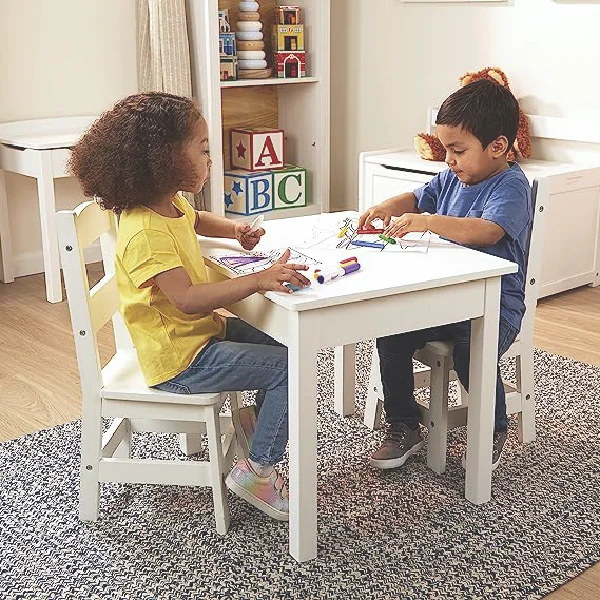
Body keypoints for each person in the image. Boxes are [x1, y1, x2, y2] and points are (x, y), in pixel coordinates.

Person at [69, 92, 312, 521]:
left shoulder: (167, 202)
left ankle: (261, 424)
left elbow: (196, 220)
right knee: (289, 368)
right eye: (202, 149)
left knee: (285, 342)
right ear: (164, 158)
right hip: (181, 361)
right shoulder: (145, 232)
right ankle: (258, 472)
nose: (210, 159)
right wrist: (256, 280)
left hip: (197, 338)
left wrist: (235, 229)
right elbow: (186, 300)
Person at [359, 79, 532, 471]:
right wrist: (387, 206)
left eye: (458, 150)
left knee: (472, 352)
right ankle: (404, 424)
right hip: (444, 299)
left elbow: (489, 231)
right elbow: (417, 197)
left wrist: (428, 222)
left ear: (497, 147)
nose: (449, 160)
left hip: (494, 306)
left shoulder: (511, 186)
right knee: (391, 332)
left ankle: (492, 427)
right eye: (446, 150)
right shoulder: (454, 177)